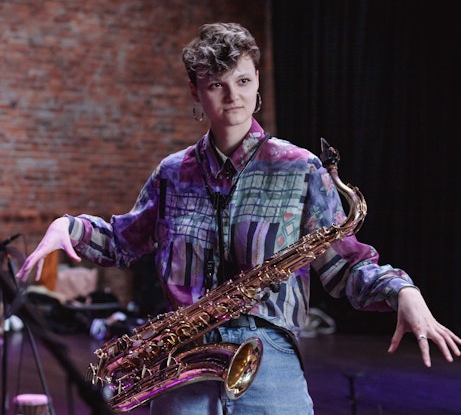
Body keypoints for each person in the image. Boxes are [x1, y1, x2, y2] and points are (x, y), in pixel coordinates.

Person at [16, 22, 461, 415]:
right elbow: (122, 240)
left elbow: (345, 264)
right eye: (217, 85)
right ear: (195, 90)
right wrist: (68, 227)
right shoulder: (173, 173)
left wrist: (402, 290)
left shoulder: (301, 169)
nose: (234, 97)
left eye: (244, 81)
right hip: (181, 359)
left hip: (268, 357)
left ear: (258, 82)